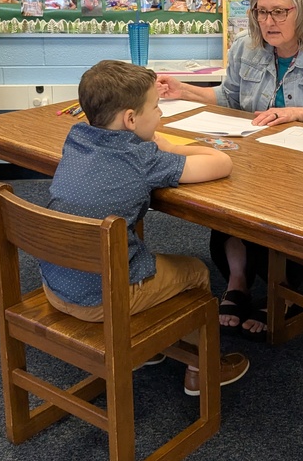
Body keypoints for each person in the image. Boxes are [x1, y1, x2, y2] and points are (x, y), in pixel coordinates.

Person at [157, 0, 303, 337]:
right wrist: (185, 90)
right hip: (257, 156)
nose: (268, 22)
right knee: (220, 193)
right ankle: (238, 281)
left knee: (287, 207)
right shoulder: (246, 45)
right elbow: (229, 99)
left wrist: (300, 114)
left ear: (302, 11)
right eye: (260, 11)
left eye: (279, 12)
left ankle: (282, 289)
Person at [38, 60, 249, 396]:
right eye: (156, 107)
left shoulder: (76, 138)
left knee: (143, 252)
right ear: (131, 119)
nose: (161, 115)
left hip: (56, 285)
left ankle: (148, 345)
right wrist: (170, 146)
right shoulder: (141, 158)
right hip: (102, 299)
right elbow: (222, 163)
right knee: (195, 271)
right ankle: (201, 370)